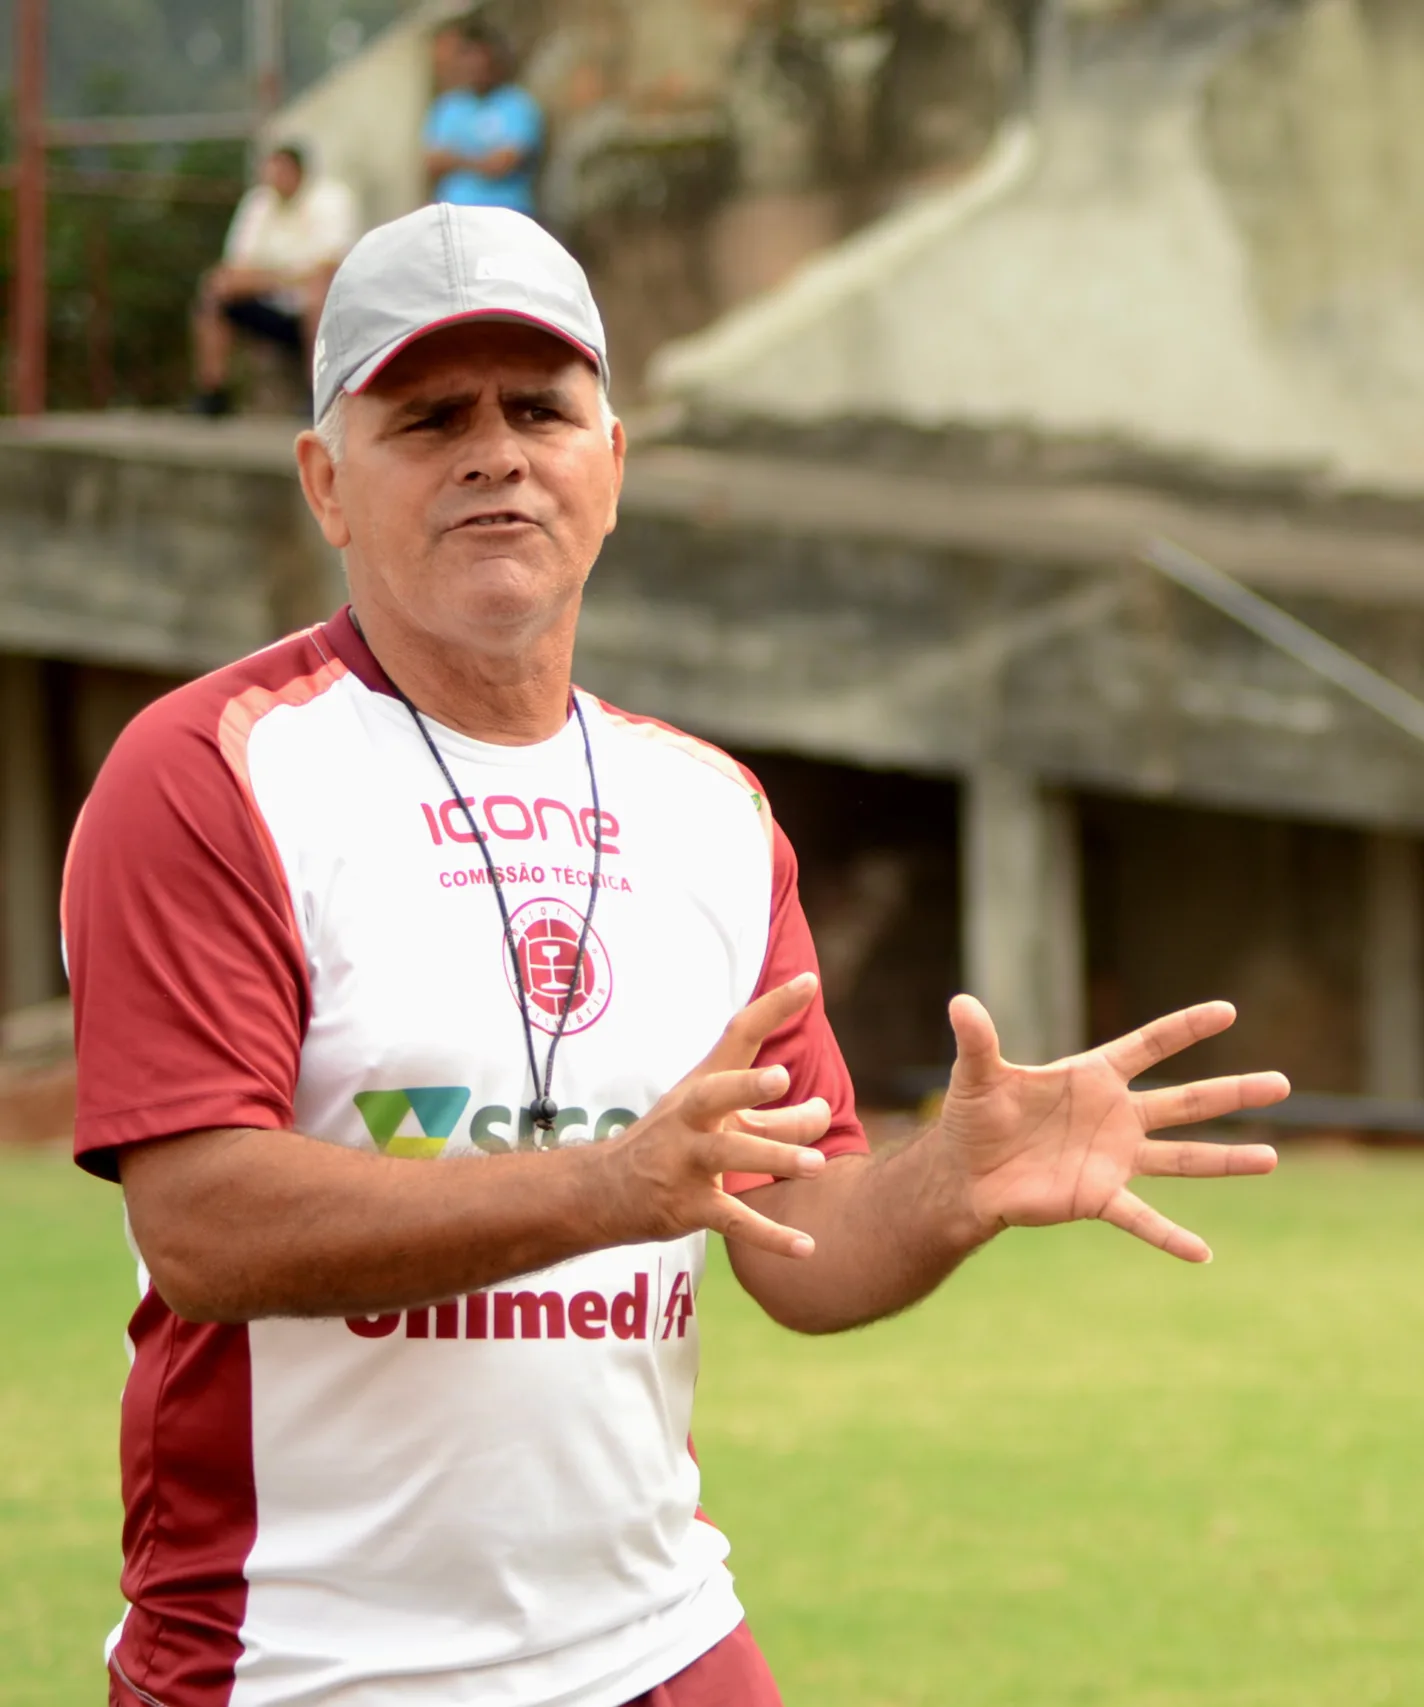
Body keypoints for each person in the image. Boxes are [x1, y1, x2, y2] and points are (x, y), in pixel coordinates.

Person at [70, 202, 1287, 1706]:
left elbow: (807, 1240)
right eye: (429, 415)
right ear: (325, 478)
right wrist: (605, 1184)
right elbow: (202, 1224)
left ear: (613, 464)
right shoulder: (208, 772)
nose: (496, 451)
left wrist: (949, 1183)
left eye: (541, 407)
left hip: (655, 1641)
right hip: (303, 1663)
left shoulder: (707, 808)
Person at [188, 143, 360, 417]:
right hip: (271, 302)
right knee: (215, 290)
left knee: (318, 295)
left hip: (316, 310)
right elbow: (235, 268)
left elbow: (328, 268)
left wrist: (268, 277)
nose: (273, 178)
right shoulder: (258, 202)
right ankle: (213, 392)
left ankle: (317, 394)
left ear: (299, 172)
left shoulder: (332, 200)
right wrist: (285, 278)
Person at [422, 18, 544, 216]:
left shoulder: (517, 104)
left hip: (505, 215)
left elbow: (502, 164)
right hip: (454, 218)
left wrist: (456, 160)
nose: (475, 68)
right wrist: (481, 161)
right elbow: (433, 164)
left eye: (482, 60)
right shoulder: (448, 107)